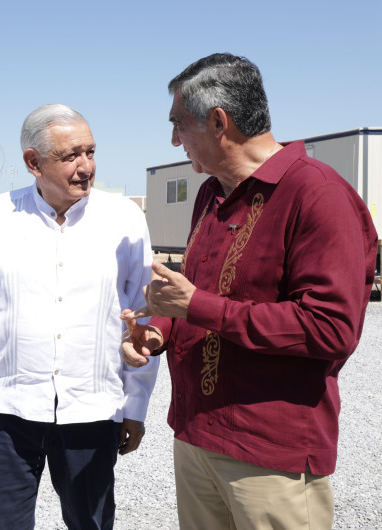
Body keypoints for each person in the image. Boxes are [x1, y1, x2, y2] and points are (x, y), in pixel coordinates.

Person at [121, 54, 378, 529]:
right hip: (195, 435)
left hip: (268, 454)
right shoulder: (211, 193)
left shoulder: (317, 194)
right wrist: (159, 331)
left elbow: (331, 329)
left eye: (178, 123)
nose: (174, 139)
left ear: (219, 121)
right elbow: (193, 295)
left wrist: (195, 305)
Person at [0, 104, 158, 529]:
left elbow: (143, 320)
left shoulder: (125, 220)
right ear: (33, 162)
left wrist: (136, 405)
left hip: (92, 409)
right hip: (8, 408)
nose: (86, 167)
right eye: (71, 156)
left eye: (91, 152)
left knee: (92, 523)